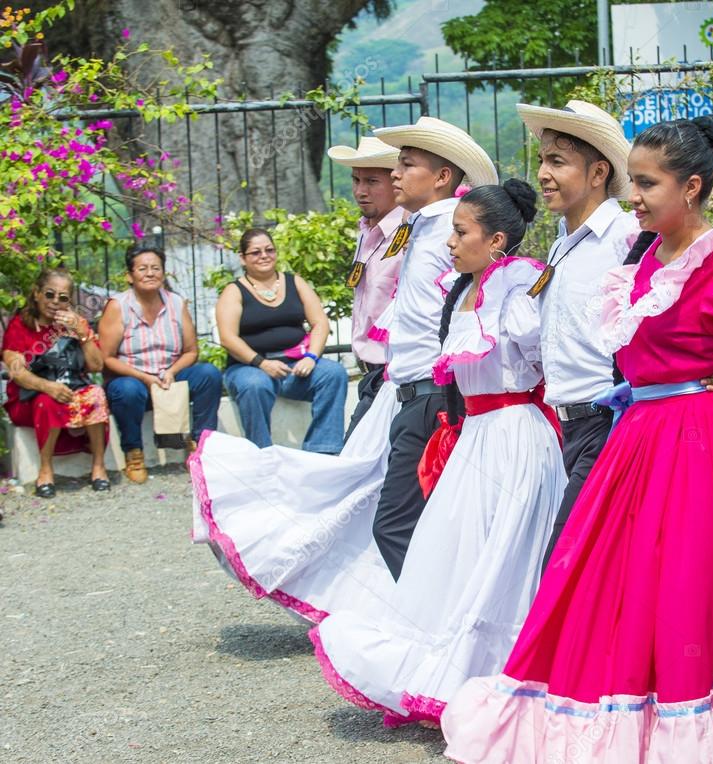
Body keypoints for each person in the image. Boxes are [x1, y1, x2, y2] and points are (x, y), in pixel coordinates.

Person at [442, 118, 713, 762]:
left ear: (691, 187)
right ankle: (631, 715)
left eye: (648, 182)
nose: (635, 194)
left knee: (698, 580)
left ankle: (702, 727)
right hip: (638, 436)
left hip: (705, 438)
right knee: (611, 581)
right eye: (634, 179)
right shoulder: (639, 259)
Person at [189, 118, 497, 623]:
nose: (378, 183)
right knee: (364, 492)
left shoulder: (437, 230)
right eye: (367, 177)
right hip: (394, 380)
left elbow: (453, 310)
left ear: (441, 176)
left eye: (389, 171)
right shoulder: (390, 231)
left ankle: (418, 615)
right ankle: (377, 602)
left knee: (379, 501)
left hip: (418, 386)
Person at [310, 180, 566, 728]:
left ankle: (508, 674)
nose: (450, 241)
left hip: (515, 432)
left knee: (503, 554)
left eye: (461, 231)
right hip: (477, 433)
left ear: (496, 239)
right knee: (455, 548)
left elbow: (544, 354)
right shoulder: (465, 290)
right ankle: (455, 670)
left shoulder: (518, 281)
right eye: (451, 230)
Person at [516, 99, 713, 568]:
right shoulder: (561, 244)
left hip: (610, 422)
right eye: (541, 160)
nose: (543, 173)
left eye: (557, 161)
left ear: (599, 171)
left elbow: (690, 303)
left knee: (565, 567)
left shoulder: (631, 238)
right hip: (568, 425)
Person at [367, 116, 500, 580]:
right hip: (409, 392)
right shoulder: (420, 227)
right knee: (421, 521)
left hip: (433, 395)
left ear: (443, 177)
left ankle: (430, 620)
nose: (395, 174)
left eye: (406, 164)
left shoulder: (453, 231)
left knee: (395, 524)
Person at [216, 227, 348, 454]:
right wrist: (261, 363)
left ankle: (322, 450)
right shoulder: (234, 291)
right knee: (254, 385)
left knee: (334, 373)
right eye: (255, 252)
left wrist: (312, 357)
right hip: (250, 367)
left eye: (269, 250)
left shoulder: (294, 282)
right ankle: (262, 453)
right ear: (242, 258)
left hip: (296, 366)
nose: (264, 256)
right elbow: (228, 338)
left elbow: (320, 324)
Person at [98, 247, 222, 484]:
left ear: (163, 274)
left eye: (155, 268)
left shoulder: (176, 303)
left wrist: (172, 371)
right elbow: (106, 358)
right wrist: (144, 377)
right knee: (126, 390)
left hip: (170, 377)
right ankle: (134, 454)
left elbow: (191, 351)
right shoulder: (118, 306)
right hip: (135, 380)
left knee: (209, 374)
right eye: (142, 268)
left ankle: (201, 448)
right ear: (129, 275)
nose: (149, 273)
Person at [2, 267, 110, 496]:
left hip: (71, 386)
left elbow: (96, 365)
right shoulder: (20, 325)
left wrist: (82, 332)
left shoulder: (74, 323)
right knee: (47, 401)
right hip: (28, 396)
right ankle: (45, 470)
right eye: (49, 294)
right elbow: (17, 372)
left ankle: (99, 468)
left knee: (96, 395)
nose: (55, 302)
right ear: (37, 293)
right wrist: (48, 387)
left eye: (62, 298)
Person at [326, 137, 408, 435]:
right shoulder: (367, 231)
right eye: (356, 180)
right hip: (371, 374)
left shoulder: (411, 233)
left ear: (396, 182)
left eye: (372, 181)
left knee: (355, 466)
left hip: (395, 376)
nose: (361, 191)